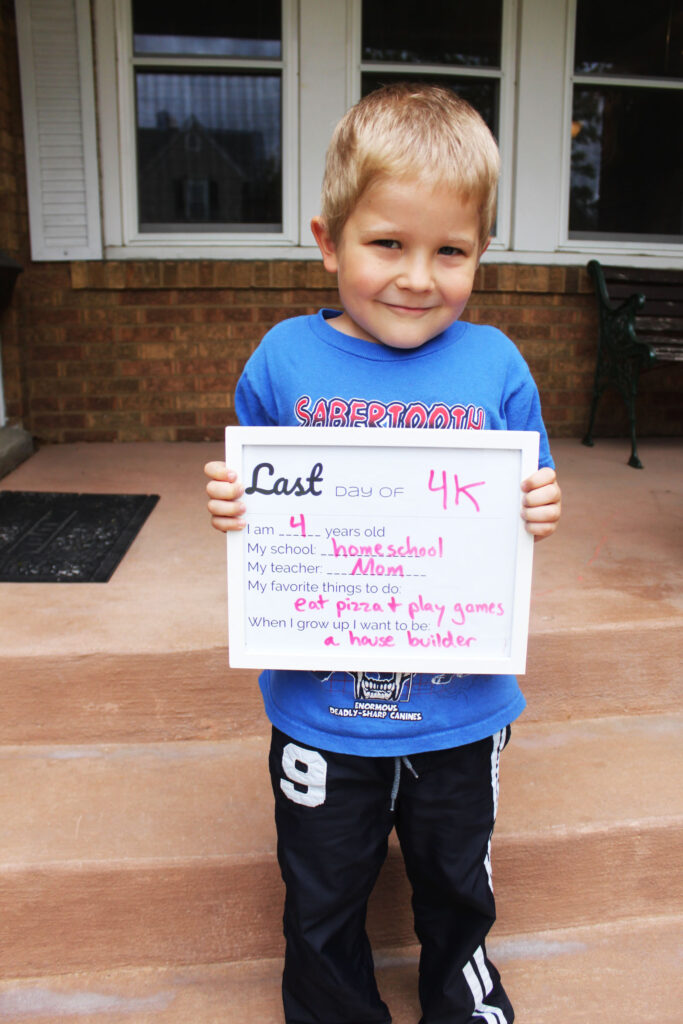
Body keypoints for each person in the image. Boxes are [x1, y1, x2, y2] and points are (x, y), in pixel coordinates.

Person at [205, 83, 561, 1024]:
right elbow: (259, 489)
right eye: (386, 244)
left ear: (480, 253)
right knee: (321, 890)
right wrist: (238, 504)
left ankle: (462, 1001)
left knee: (456, 880)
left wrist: (537, 503)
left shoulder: (497, 368)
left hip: (460, 707)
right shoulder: (282, 361)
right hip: (321, 711)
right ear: (328, 241)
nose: (416, 277)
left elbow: (527, 493)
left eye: (450, 251)